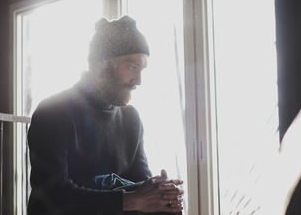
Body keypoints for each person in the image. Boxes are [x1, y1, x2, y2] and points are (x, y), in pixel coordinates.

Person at [27, 16, 184, 215]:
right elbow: (53, 196)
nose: (138, 80)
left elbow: (138, 185)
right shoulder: (52, 112)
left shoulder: (131, 119)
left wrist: (160, 194)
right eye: (132, 67)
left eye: (142, 70)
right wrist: (130, 200)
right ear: (102, 63)